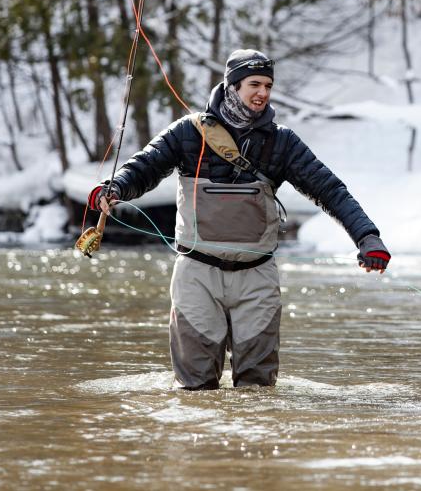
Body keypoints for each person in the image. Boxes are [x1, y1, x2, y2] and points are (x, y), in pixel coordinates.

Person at [87, 49, 390, 390]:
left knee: (257, 390)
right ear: (232, 85)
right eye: (254, 84)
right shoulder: (188, 132)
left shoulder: (282, 142)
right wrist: (114, 188)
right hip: (197, 276)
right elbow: (144, 167)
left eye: (269, 85)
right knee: (195, 388)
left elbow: (331, 191)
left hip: (256, 278)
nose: (263, 92)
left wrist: (367, 238)